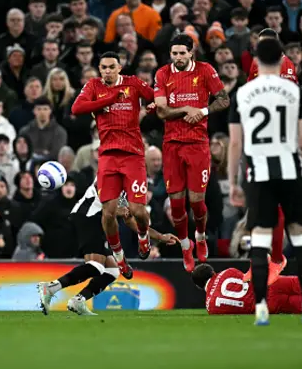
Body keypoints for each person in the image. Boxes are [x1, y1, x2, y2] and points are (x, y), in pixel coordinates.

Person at [227, 38, 302, 326]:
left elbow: (235, 142)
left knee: (260, 239)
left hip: (258, 175)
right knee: (300, 235)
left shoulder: (243, 93)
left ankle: (260, 309)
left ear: (255, 60)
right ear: (283, 60)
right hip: (291, 171)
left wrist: (234, 181)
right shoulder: (295, 91)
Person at [71, 52, 155, 278]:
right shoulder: (94, 86)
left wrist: (154, 107)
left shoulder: (133, 83)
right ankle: (120, 260)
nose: (107, 71)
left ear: (119, 68)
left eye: (111, 67)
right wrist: (108, 100)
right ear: (99, 69)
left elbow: (154, 97)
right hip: (108, 155)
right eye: (103, 67)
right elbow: (76, 108)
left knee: (138, 209)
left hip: (133, 155)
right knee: (108, 214)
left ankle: (143, 236)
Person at [37, 183, 178, 316]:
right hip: (88, 215)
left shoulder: (127, 188)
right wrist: (119, 210)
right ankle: (50, 288)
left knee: (112, 271)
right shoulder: (109, 173)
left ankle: (78, 301)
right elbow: (107, 206)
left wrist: (160, 236)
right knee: (96, 266)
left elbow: (130, 221)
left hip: (101, 221)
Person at [153, 34, 229, 272]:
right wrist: (187, 109)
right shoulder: (163, 74)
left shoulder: (205, 71)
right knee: (176, 205)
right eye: (174, 54)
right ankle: (186, 245)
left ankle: (201, 236)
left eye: (181, 53)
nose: (177, 58)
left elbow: (224, 100)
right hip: (172, 145)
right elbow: (162, 112)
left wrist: (203, 111)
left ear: (191, 52)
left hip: (197, 144)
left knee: (197, 202)